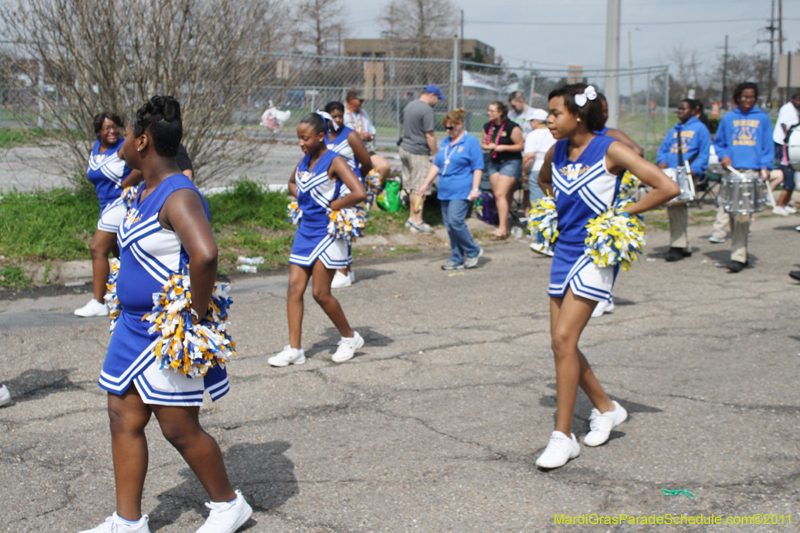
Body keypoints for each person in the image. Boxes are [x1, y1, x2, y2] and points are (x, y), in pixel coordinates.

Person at [81, 96, 252, 533]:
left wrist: (193, 315)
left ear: (142, 140)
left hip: (166, 332)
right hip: (131, 329)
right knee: (123, 415)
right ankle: (128, 521)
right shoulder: (146, 188)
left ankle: (228, 505)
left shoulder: (178, 194)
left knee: (178, 428)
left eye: (127, 134)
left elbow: (206, 255)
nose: (117, 139)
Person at [534, 83, 678, 469]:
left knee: (564, 339)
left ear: (578, 115)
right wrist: (554, 211)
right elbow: (543, 180)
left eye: (555, 113)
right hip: (563, 251)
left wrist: (624, 213)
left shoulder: (610, 148)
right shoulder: (556, 150)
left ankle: (562, 437)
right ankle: (606, 407)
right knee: (560, 344)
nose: (548, 120)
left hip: (596, 253)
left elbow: (667, 186)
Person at [268, 113, 367, 367]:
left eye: (305, 138)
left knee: (320, 293)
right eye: (299, 138)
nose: (301, 143)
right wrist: (303, 197)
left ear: (320, 136)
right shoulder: (304, 161)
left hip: (328, 233)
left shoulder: (335, 160)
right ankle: (294, 349)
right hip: (305, 231)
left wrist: (334, 204)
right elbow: (292, 183)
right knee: (293, 289)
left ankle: (349, 337)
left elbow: (359, 192)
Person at [74, 111, 140, 318]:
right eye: (107, 128)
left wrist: (126, 183)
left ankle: (98, 302)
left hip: (120, 204)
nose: (112, 131)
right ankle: (135, 294)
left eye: (115, 127)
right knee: (120, 254)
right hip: (105, 206)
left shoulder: (123, 146)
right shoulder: (96, 148)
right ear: (98, 132)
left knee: (97, 249)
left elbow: (141, 166)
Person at [711, 82, 773, 272]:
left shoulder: (762, 118)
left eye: (752, 97)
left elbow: (767, 145)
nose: (748, 100)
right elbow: (719, 143)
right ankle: (739, 251)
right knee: (731, 212)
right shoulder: (728, 118)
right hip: (732, 171)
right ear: (738, 97)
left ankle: (738, 256)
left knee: (744, 216)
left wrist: (765, 165)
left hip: (751, 172)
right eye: (744, 96)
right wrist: (724, 156)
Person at [417, 108, 484, 270]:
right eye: (446, 128)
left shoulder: (471, 142)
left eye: (451, 128)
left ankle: (473, 250)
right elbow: (437, 164)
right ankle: (457, 257)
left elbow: (478, 167)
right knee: (449, 225)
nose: (449, 131)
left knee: (455, 220)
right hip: (445, 189)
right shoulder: (446, 142)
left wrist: (475, 188)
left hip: (462, 188)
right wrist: (426, 183)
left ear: (460, 124)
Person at [323, 101, 373, 289]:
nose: (337, 119)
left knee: (341, 227)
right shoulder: (323, 136)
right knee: (340, 228)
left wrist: (355, 180)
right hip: (331, 188)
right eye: (333, 116)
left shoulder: (350, 135)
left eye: (340, 115)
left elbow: (367, 162)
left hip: (349, 190)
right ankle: (347, 271)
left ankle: (342, 273)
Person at [656, 98, 711, 262]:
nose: (680, 111)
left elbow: (704, 153)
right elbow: (664, 149)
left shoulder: (700, 129)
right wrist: (662, 162)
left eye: (684, 108)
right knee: (674, 208)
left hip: (687, 174)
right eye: (679, 109)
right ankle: (682, 244)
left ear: (694, 110)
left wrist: (695, 170)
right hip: (671, 173)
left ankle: (677, 246)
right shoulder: (674, 129)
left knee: (677, 207)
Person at [399, 84, 444, 235]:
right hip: (418, 152)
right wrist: (436, 153)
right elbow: (429, 135)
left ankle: (411, 218)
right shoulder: (427, 110)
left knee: (412, 186)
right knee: (421, 188)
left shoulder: (409, 105)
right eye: (437, 98)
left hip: (404, 148)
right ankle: (418, 221)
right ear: (432, 95)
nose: (437, 102)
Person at [481, 101, 524, 239]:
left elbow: (520, 146)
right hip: (494, 162)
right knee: (501, 195)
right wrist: (488, 147)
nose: (489, 113)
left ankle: (502, 228)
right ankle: (504, 226)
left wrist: (503, 147)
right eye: (488, 110)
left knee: (500, 194)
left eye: (492, 111)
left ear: (500, 113)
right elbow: (483, 143)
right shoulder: (487, 127)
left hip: (511, 162)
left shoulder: (512, 127)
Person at [343, 89, 392, 183]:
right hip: (348, 151)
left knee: (384, 167)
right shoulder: (342, 114)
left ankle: (373, 191)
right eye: (360, 101)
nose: (362, 103)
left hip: (364, 149)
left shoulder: (363, 113)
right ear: (351, 100)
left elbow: (372, 133)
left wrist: (369, 137)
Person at [522, 108, 556, 222]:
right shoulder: (553, 133)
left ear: (537, 121)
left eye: (532, 121)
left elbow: (529, 156)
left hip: (537, 169)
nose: (531, 124)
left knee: (538, 204)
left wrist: (524, 172)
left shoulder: (533, 135)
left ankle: (538, 228)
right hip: (554, 168)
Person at [771, 93, 800, 215]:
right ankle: (778, 203)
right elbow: (784, 124)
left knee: (791, 180)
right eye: (798, 100)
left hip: (790, 143)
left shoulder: (795, 110)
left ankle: (786, 202)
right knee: (786, 176)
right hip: (783, 143)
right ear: (792, 99)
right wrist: (789, 137)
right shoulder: (786, 108)